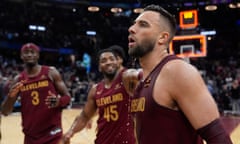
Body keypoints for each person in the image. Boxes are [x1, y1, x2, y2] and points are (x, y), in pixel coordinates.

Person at [126, 4, 233, 144]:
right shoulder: (141, 79)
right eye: (134, 24)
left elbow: (219, 139)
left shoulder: (177, 72)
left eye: (143, 24)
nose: (131, 29)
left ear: (162, 38)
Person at [61, 48, 135, 144]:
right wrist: (70, 133)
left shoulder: (127, 79)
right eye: (104, 61)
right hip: (102, 140)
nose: (108, 62)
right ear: (99, 67)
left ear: (118, 63)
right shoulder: (96, 89)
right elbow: (84, 116)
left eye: (112, 59)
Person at [1, 43, 71, 144]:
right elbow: (5, 112)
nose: (29, 55)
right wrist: (10, 97)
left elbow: (67, 97)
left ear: (38, 55)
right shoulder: (19, 80)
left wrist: (59, 101)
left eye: (32, 52)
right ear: (21, 56)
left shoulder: (51, 72)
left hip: (52, 134)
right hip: (31, 137)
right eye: (26, 53)